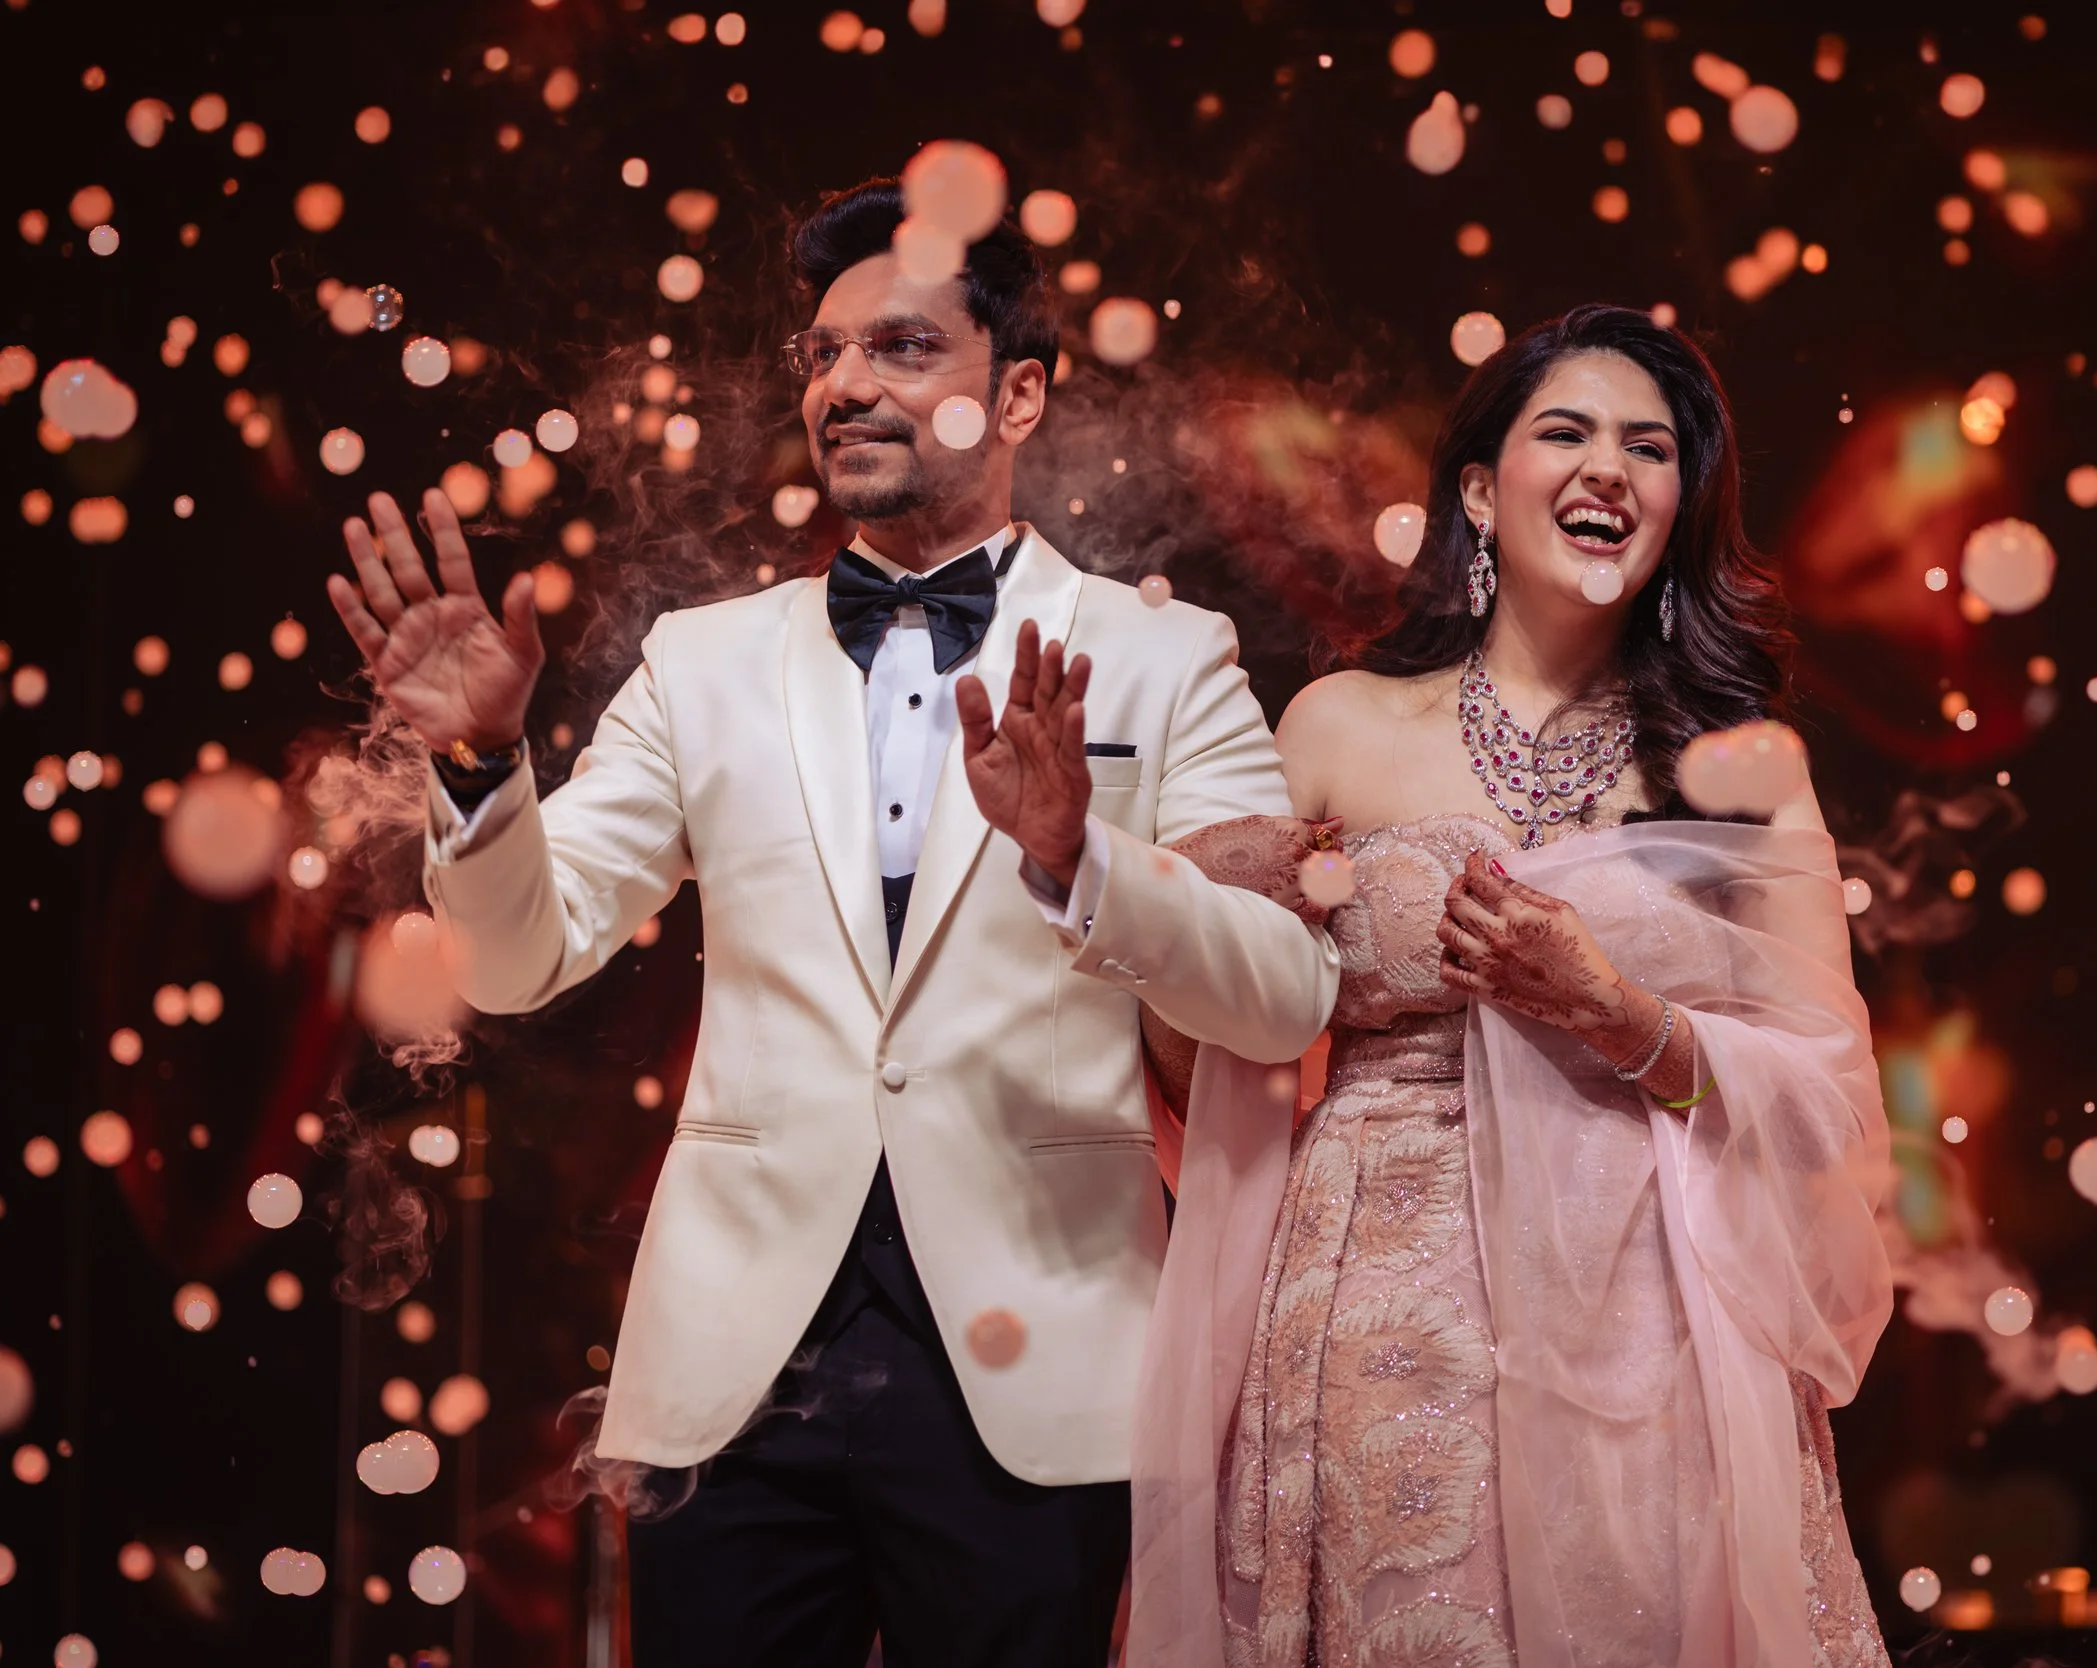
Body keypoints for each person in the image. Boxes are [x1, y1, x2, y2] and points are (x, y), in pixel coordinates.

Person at [323, 177, 1339, 1667]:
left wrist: (1080, 864)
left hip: (1041, 1359)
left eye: (904, 348)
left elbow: (1286, 995)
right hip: (735, 1373)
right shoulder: (702, 661)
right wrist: (481, 766)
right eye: (821, 355)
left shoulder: (1165, 658)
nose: (846, 383)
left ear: (1020, 396)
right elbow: (513, 954)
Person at [1127, 306, 1896, 1667]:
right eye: (1568, 433)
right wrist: (1191, 923)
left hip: (1650, 1336)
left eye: (1649, 450)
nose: (1609, 468)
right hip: (1375, 1328)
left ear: (1678, 507)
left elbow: (1826, 1101)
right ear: (1480, 490)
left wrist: (1621, 1015)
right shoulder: (1338, 724)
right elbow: (1212, 1069)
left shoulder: (1740, 768)